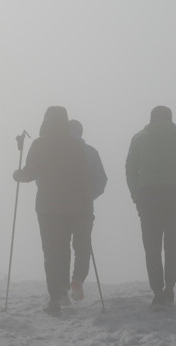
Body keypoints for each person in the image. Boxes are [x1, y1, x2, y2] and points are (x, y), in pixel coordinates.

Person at [13, 107, 93, 317]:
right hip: (73, 205)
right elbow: (85, 176)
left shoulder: (39, 144)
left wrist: (17, 174)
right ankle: (65, 289)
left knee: (52, 252)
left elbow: (29, 174)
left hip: (48, 206)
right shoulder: (75, 145)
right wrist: (85, 202)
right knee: (67, 248)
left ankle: (56, 298)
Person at [126, 106, 176, 309]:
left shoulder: (139, 137)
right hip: (173, 193)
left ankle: (157, 292)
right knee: (172, 241)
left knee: (151, 244)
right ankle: (170, 288)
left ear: (151, 119)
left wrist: (136, 194)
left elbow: (130, 168)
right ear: (170, 118)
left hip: (147, 194)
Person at [65, 119, 107, 302]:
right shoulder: (90, 152)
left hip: (58, 208)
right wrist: (90, 196)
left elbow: (41, 179)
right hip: (84, 208)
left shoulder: (56, 152)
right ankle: (77, 279)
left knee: (59, 248)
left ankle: (59, 290)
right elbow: (102, 180)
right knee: (82, 247)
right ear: (81, 133)